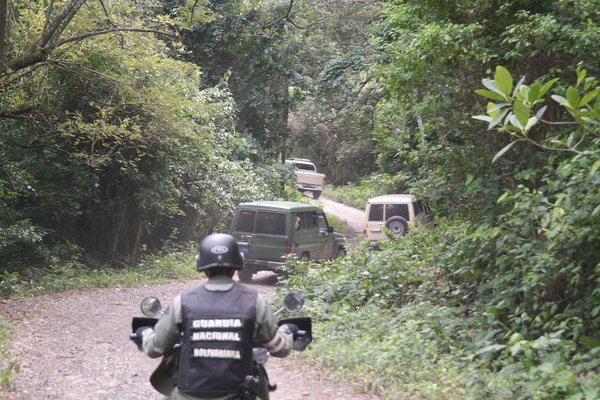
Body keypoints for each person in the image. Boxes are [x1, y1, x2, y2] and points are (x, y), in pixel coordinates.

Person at [136, 233, 294, 400]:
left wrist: (145, 332)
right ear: (237, 264)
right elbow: (279, 349)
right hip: (237, 396)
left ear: (202, 265)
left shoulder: (183, 301)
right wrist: (287, 330)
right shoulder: (254, 301)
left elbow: (155, 348)